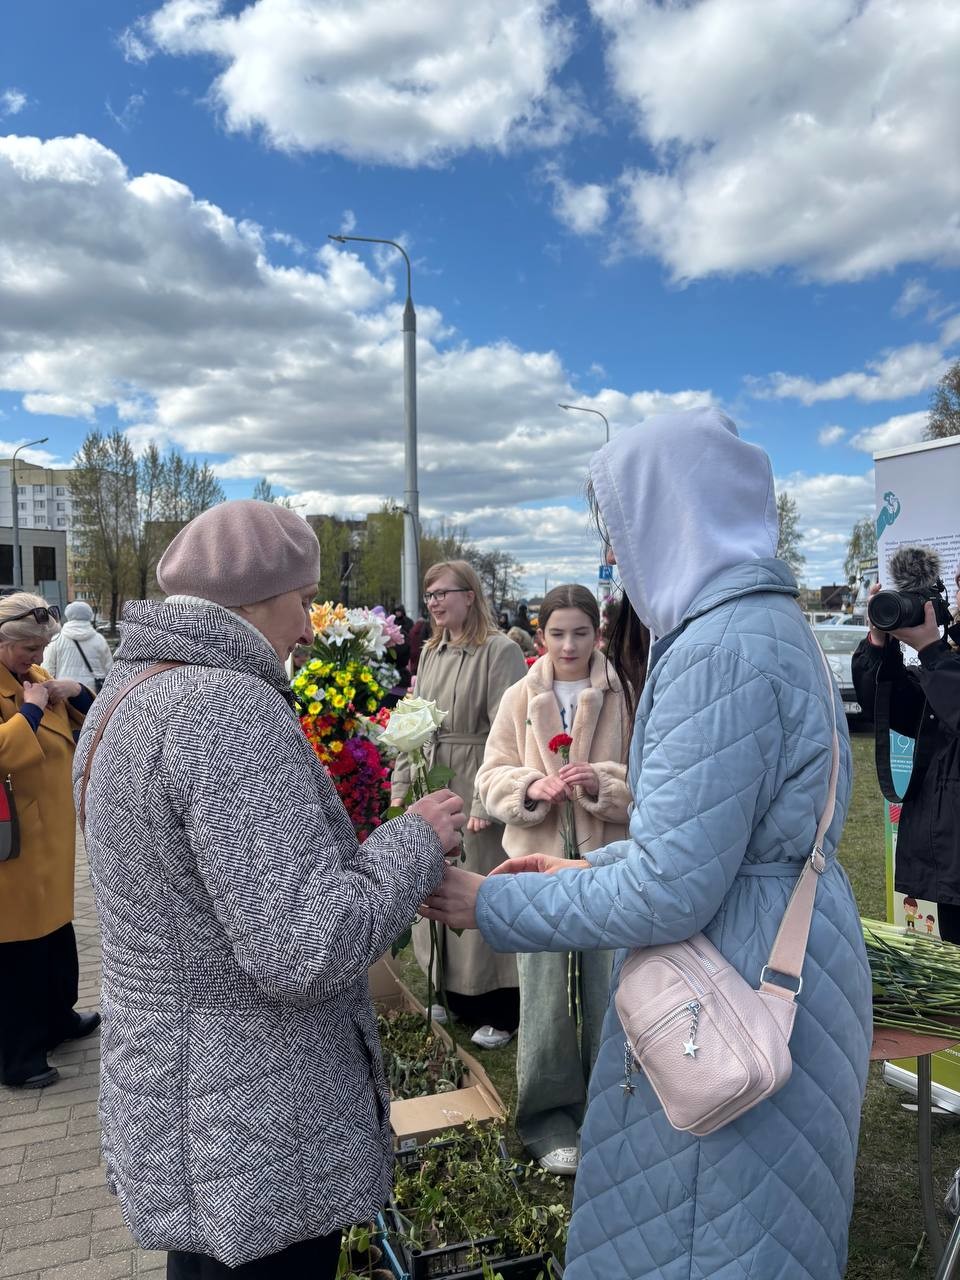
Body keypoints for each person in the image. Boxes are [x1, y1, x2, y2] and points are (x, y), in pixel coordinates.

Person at [421, 407, 872, 1280]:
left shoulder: (717, 648)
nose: (617, 554)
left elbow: (675, 888)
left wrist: (494, 902)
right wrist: (578, 865)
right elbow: (711, 844)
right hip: (779, 942)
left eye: (620, 527)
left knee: (699, 1240)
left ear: (673, 513)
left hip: (731, 976)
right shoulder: (770, 622)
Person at [74, 500, 465, 1279]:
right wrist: (417, 839)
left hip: (187, 1098)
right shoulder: (222, 707)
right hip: (255, 1116)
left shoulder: (132, 692)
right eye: (301, 600)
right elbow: (304, 947)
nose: (309, 627)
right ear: (254, 598)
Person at [476, 584, 634, 1174]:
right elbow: (490, 777)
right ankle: (546, 1118)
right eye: (558, 633)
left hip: (605, 860)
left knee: (612, 986)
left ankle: (614, 1111)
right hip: (536, 862)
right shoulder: (520, 695)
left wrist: (604, 786)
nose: (569, 645)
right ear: (540, 635)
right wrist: (528, 789)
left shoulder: (624, 694)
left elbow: (650, 780)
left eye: (581, 632)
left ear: (598, 634)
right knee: (543, 993)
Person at [391, 560, 526, 1048]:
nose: (434, 602)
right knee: (438, 880)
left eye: (443, 592)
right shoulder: (430, 652)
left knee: (482, 882)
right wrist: (401, 786)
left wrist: (487, 801)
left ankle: (500, 1006)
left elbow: (508, 733)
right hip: (434, 775)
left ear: (470, 595)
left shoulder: (500, 651)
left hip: (477, 781)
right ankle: (448, 991)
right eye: (429, 595)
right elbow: (412, 724)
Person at [0, 593, 98, 1089]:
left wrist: (74, 689)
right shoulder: (22, 693)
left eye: (42, 648)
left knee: (56, 933)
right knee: (16, 950)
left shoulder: (34, 680)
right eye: (27, 649)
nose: (37, 658)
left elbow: (96, 719)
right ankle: (16, 1056)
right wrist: (31, 713)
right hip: (12, 846)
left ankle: (59, 1018)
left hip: (50, 836)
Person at [852, 571, 960, 940]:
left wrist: (932, 653)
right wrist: (880, 644)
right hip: (946, 855)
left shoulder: (943, 659)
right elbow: (896, 710)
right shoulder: (950, 656)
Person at [42, 599, 113, 692]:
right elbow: (110, 669)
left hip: (64, 692)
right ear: (89, 615)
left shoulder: (57, 639)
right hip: (93, 692)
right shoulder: (99, 639)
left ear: (68, 615)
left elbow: (47, 669)